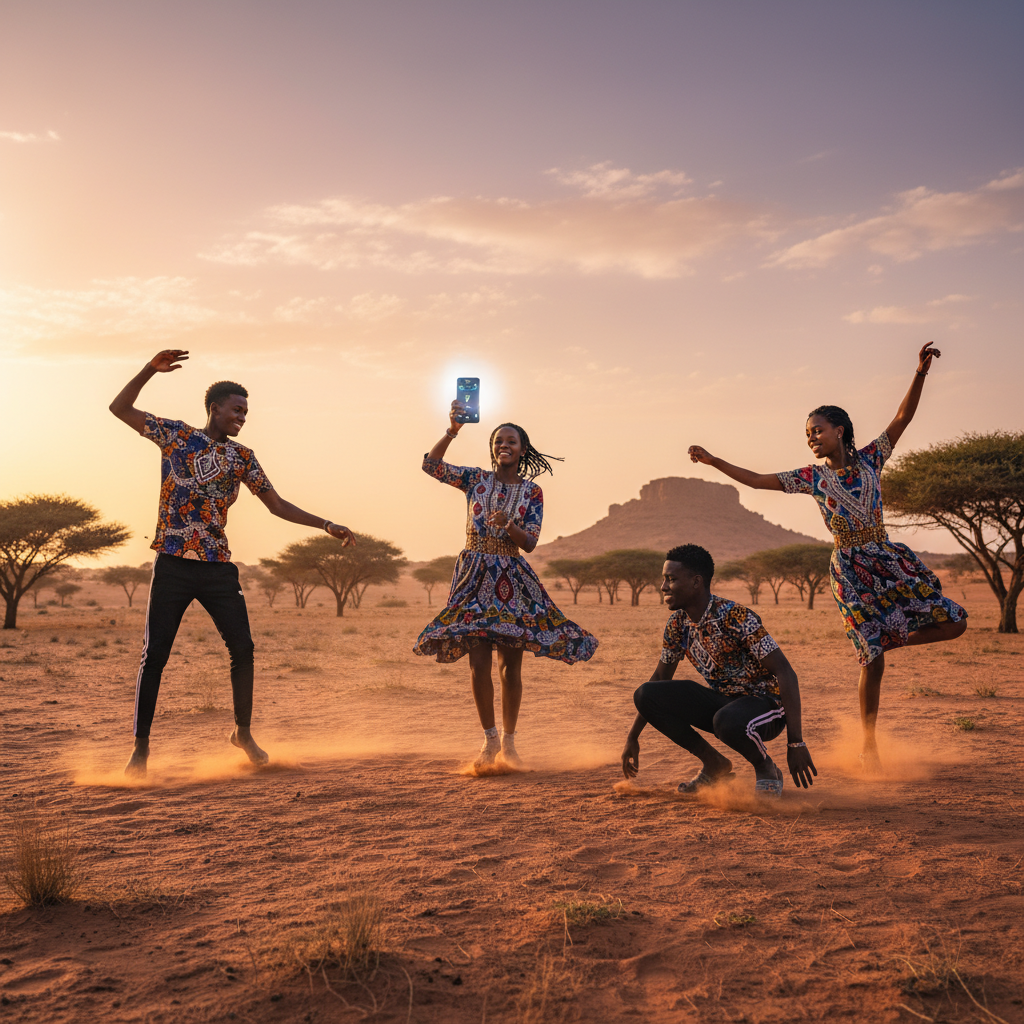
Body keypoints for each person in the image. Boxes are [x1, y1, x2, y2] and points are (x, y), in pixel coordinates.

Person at [687, 342, 967, 768]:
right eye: (807, 434)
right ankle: (869, 743)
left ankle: (885, 635)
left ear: (839, 429)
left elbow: (903, 417)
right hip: (850, 569)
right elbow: (759, 480)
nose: (811, 438)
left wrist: (920, 372)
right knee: (870, 660)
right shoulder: (811, 479)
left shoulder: (874, 457)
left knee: (956, 623)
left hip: (886, 560)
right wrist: (714, 461)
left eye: (817, 430)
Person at [109, 349, 355, 777]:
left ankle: (242, 731)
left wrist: (326, 523)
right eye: (236, 409)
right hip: (172, 562)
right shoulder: (176, 436)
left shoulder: (243, 458)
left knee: (242, 647)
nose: (242, 416)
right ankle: (140, 751)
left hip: (218, 567)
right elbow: (120, 408)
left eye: (246, 412)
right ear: (214, 408)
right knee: (156, 656)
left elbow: (276, 505)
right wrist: (150, 369)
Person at [414, 401, 598, 769]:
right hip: (473, 573)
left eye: (511, 441)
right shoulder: (474, 480)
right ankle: (489, 741)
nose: (504, 445)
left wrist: (507, 525)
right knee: (478, 665)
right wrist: (452, 429)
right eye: (499, 440)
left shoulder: (532, 492)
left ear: (522, 449)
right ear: (493, 448)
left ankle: (511, 744)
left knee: (509, 668)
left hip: (510, 578)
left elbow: (529, 542)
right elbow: (430, 466)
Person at [621, 544, 816, 797]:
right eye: (663, 580)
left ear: (696, 582)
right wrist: (632, 737)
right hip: (725, 705)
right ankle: (714, 764)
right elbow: (660, 678)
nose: (663, 587)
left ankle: (766, 767)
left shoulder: (735, 617)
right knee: (646, 693)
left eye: (671, 579)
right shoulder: (677, 625)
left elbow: (785, 672)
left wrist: (796, 742)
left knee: (727, 720)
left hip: (767, 707)